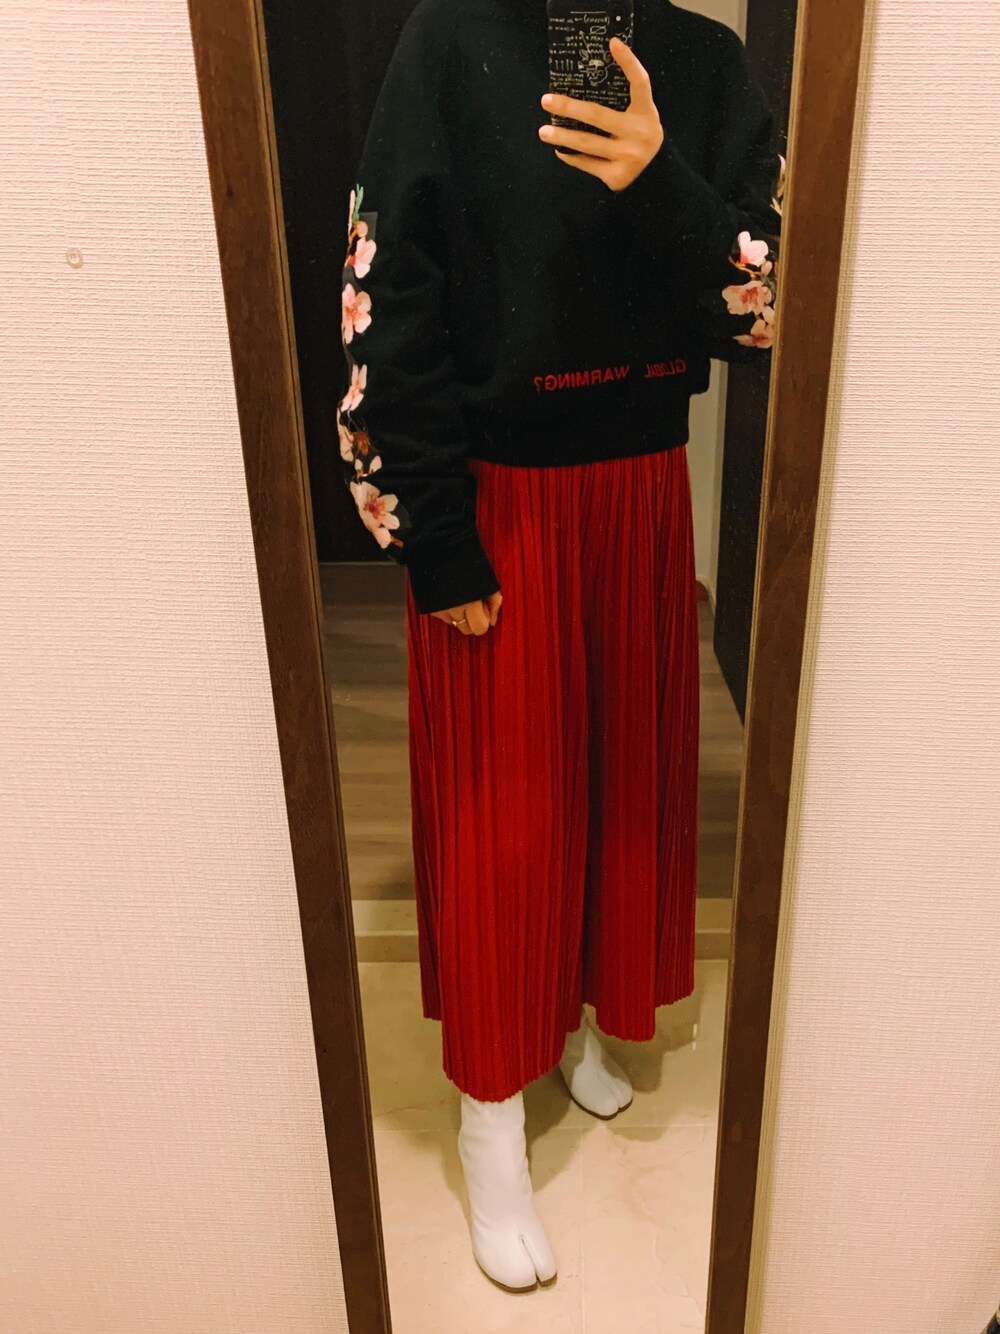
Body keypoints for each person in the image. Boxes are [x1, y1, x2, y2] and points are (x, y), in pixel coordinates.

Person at [339, 0, 785, 1291]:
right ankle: (490, 1107)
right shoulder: (449, 41)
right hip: (499, 493)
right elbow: (384, 287)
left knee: (624, 790)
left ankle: (588, 1015)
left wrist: (661, 179)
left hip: (642, 485)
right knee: (506, 818)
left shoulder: (704, 61)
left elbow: (763, 308)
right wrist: (432, 533)